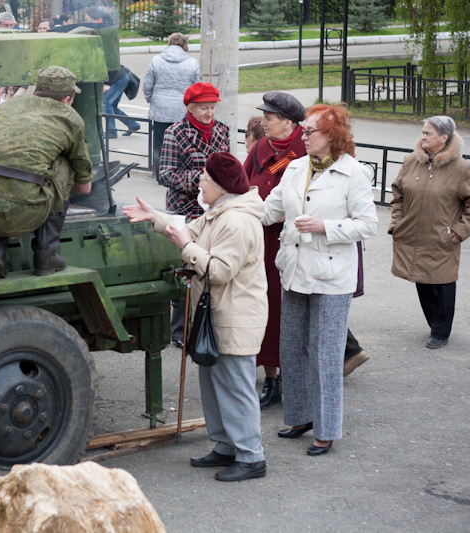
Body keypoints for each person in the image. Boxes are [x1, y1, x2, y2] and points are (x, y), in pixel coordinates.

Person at [123, 152, 268, 482]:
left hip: (235, 318)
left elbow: (218, 271)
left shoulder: (237, 221)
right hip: (215, 317)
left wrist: (188, 246)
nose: (199, 181)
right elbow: (186, 228)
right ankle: (226, 446)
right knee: (214, 384)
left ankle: (251, 455)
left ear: (220, 186)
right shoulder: (220, 212)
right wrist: (155, 218)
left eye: (204, 177)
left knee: (235, 388)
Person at [262, 103, 377, 456]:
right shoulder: (296, 167)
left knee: (326, 355)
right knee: (292, 348)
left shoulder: (353, 173)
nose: (303, 135)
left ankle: (326, 429)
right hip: (295, 269)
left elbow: (368, 225)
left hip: (331, 277)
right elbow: (270, 211)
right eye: (304, 129)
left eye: (310, 131)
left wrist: (326, 226)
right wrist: (230, 201)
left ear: (332, 136)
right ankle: (298, 417)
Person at [0, 66, 93, 279]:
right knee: (62, 164)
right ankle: (45, 256)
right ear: (67, 99)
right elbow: (84, 187)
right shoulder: (69, 117)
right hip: (25, 212)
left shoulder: (4, 108)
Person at [388, 116, 470, 349]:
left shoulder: (461, 167)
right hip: (412, 236)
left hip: (442, 238)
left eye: (428, 133)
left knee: (443, 283)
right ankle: (435, 325)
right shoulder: (411, 161)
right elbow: (397, 194)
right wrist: (396, 222)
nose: (423, 136)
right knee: (421, 280)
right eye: (423, 132)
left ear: (444, 138)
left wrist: (460, 230)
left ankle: (441, 332)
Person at [244, 91, 307, 410]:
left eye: (269, 118)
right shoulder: (260, 147)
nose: (263, 122)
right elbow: (241, 184)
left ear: (287, 122)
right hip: (260, 242)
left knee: (288, 311)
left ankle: (289, 377)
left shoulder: (307, 150)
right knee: (263, 308)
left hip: (293, 243)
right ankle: (270, 378)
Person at [160, 82, 229, 347]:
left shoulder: (222, 129)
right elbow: (165, 173)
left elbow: (227, 165)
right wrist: (199, 180)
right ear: (190, 107)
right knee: (188, 266)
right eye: (203, 108)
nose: (209, 113)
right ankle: (179, 331)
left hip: (216, 208)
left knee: (211, 265)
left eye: (212, 108)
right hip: (186, 211)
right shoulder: (175, 132)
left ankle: (207, 324)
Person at [142, 32, 199, 174]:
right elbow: (196, 87)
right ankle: (178, 174)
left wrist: (151, 100)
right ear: (185, 45)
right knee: (181, 143)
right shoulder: (192, 63)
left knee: (160, 144)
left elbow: (147, 85)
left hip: (160, 109)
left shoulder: (156, 60)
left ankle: (160, 174)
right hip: (182, 111)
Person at [102, 65, 140, 138]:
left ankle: (111, 131)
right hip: (121, 76)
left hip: (117, 78)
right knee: (111, 106)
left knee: (105, 103)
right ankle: (133, 125)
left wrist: (108, 84)